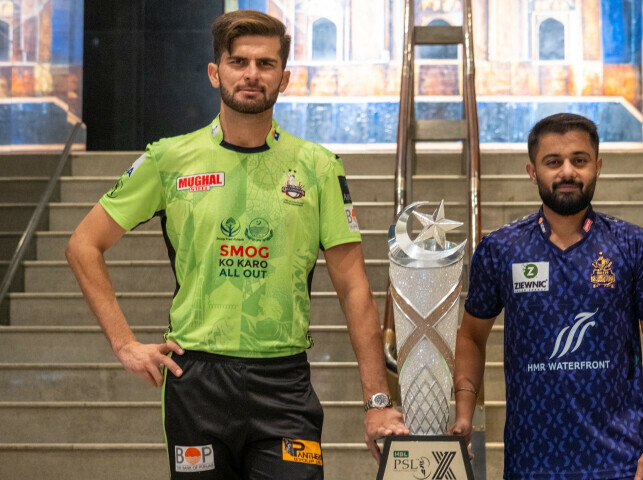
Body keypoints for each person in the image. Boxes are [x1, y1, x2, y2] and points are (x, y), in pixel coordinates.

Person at [65, 10, 406, 479]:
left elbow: (354, 290)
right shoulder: (169, 158)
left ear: (283, 79)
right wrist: (125, 344)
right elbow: (83, 245)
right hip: (196, 381)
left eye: (265, 64)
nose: (251, 74)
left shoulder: (319, 166)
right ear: (214, 72)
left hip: (283, 385)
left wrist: (378, 402)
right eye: (238, 62)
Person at [450, 113, 643, 480]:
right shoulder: (500, 249)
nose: (567, 172)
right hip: (530, 464)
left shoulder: (635, 246)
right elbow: (471, 335)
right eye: (553, 162)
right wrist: (464, 410)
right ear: (532, 171)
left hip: (623, 463)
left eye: (580, 160)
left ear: (598, 167)